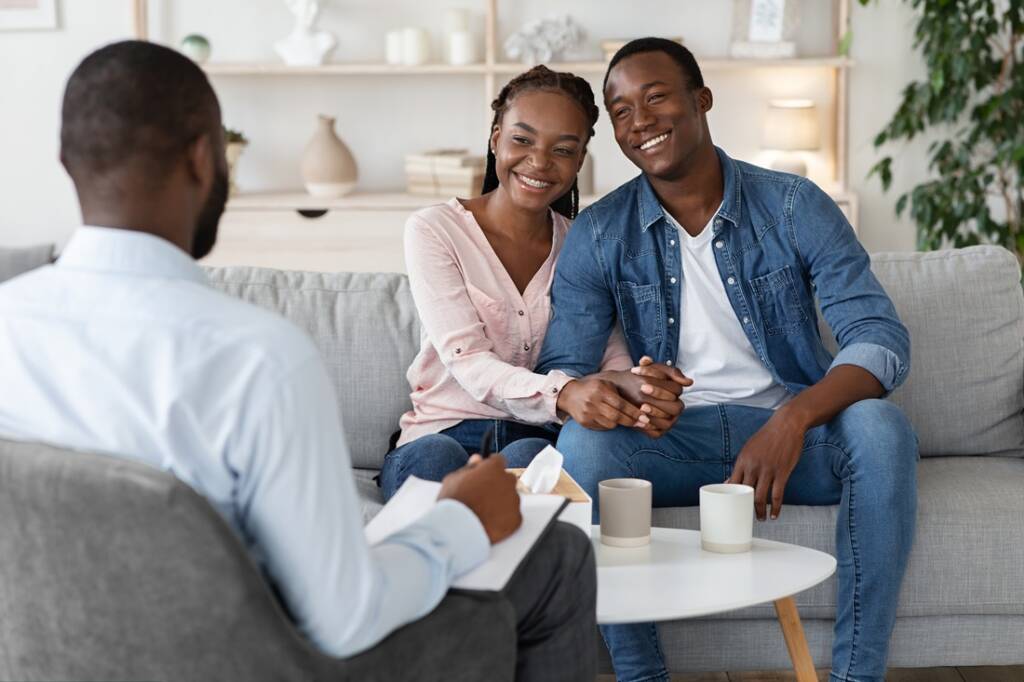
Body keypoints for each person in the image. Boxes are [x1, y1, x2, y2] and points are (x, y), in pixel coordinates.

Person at [0, 40, 596, 681]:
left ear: (66, 160)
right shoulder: (259, 358)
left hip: (54, 661)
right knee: (557, 555)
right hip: (253, 665)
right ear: (206, 158)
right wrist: (461, 522)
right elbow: (344, 618)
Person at [535, 38, 918, 682]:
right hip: (668, 444)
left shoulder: (794, 205)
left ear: (701, 100)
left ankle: (857, 676)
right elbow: (567, 373)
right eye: (621, 110)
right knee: (582, 446)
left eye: (656, 97)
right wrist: (624, 388)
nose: (640, 121)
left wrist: (792, 419)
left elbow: (879, 338)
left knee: (882, 430)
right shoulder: (600, 232)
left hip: (789, 443)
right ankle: (641, 675)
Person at [381, 65, 689, 500]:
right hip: (440, 431)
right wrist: (563, 393)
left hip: (531, 433)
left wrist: (635, 386)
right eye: (521, 140)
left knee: (533, 459)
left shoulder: (584, 242)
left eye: (562, 150)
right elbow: (467, 360)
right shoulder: (434, 229)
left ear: (580, 159)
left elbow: (608, 354)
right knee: (436, 465)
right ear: (495, 139)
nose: (539, 162)